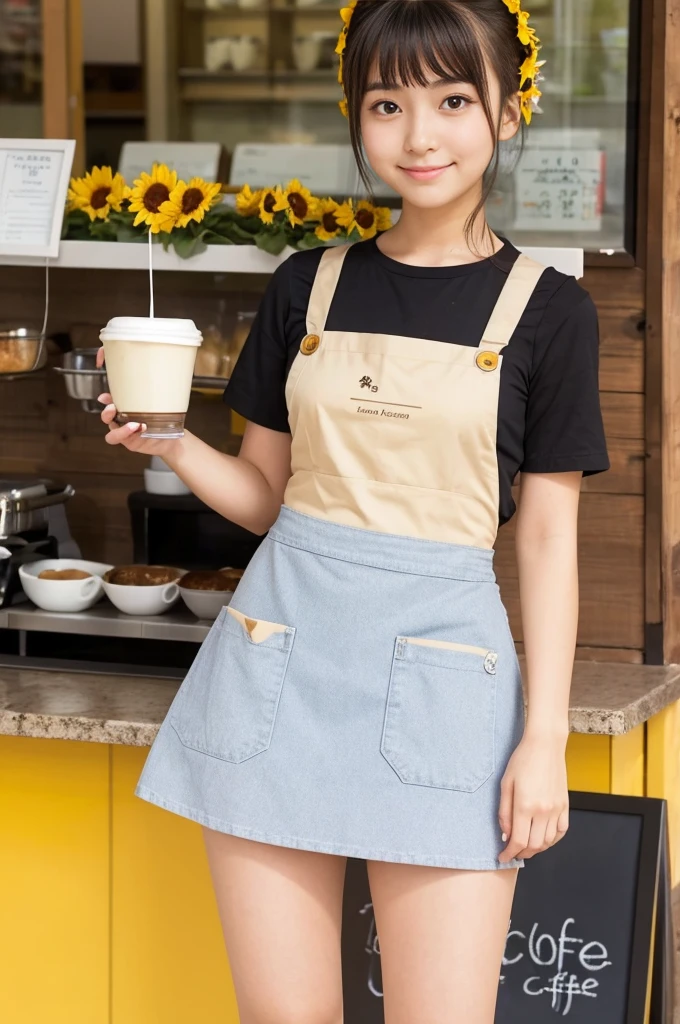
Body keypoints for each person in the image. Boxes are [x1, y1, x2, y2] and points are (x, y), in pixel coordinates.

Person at [98, 1, 610, 1020]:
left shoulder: (549, 311)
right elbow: (265, 499)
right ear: (356, 117)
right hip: (277, 671)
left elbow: (546, 542)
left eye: (452, 100)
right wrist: (169, 441)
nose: (418, 136)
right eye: (386, 104)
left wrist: (540, 735)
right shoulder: (304, 288)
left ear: (508, 113)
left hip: (445, 688)